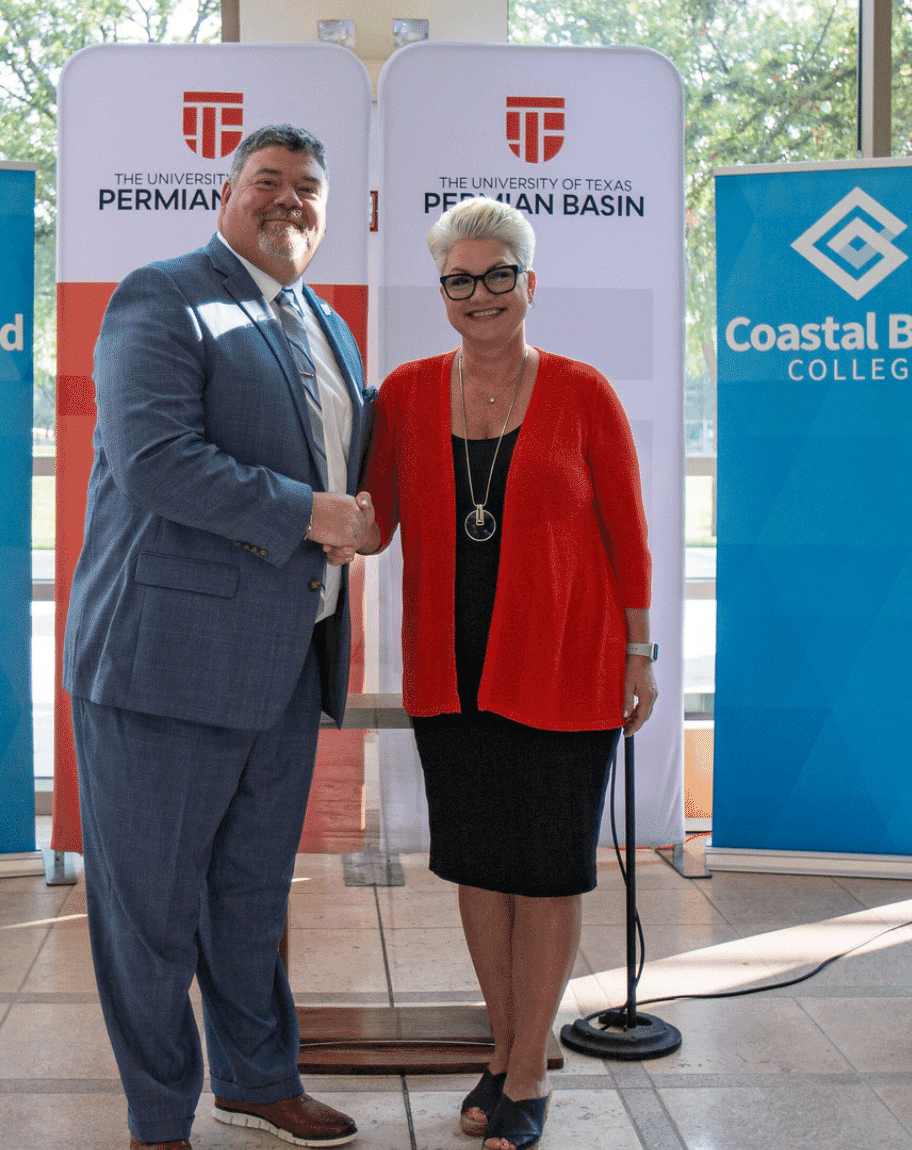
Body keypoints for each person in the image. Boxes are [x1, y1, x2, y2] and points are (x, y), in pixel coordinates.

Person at [62, 123, 372, 1150]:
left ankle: (256, 1078)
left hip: (283, 664)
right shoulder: (161, 296)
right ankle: (159, 1118)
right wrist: (308, 514)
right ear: (226, 193)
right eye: (267, 182)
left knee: (247, 899)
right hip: (162, 664)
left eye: (307, 189)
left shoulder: (327, 324)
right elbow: (152, 459)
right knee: (148, 914)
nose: (288, 201)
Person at [355, 198, 655, 1150]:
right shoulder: (402, 394)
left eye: (497, 276)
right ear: (439, 290)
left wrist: (640, 651)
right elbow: (372, 523)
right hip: (452, 678)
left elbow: (629, 534)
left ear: (530, 284)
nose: (478, 295)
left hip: (567, 670)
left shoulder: (582, 391)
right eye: (458, 279)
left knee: (548, 873)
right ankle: (503, 1046)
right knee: (481, 869)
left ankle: (529, 1072)